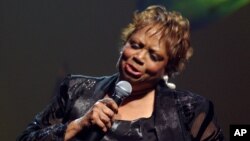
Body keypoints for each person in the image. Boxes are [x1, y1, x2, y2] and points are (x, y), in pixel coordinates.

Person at [18, 5, 224, 141]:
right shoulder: (75, 90)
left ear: (167, 68)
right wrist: (79, 125)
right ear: (124, 44)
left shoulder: (188, 111)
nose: (139, 57)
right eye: (135, 45)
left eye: (153, 56)